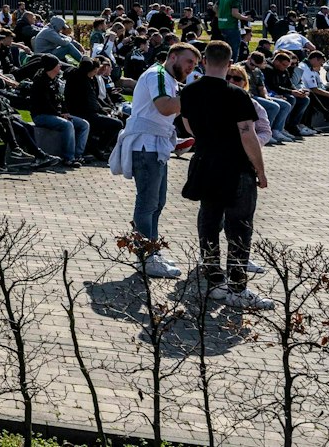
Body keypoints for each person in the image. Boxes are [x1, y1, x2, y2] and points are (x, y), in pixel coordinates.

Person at [178, 41, 272, 309]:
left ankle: (215, 279)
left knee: (208, 223)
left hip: (205, 162)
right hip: (235, 166)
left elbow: (187, 125)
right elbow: (247, 134)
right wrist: (261, 170)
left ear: (204, 61)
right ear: (230, 64)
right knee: (239, 227)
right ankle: (238, 287)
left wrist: (208, 138)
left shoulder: (190, 91)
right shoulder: (237, 95)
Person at [113, 41, 191, 277]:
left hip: (156, 145)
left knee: (157, 202)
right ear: (173, 56)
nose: (191, 68)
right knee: (147, 202)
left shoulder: (168, 79)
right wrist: (198, 96)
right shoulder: (156, 74)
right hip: (146, 145)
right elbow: (165, 107)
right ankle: (145, 256)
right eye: (189, 62)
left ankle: (152, 250)